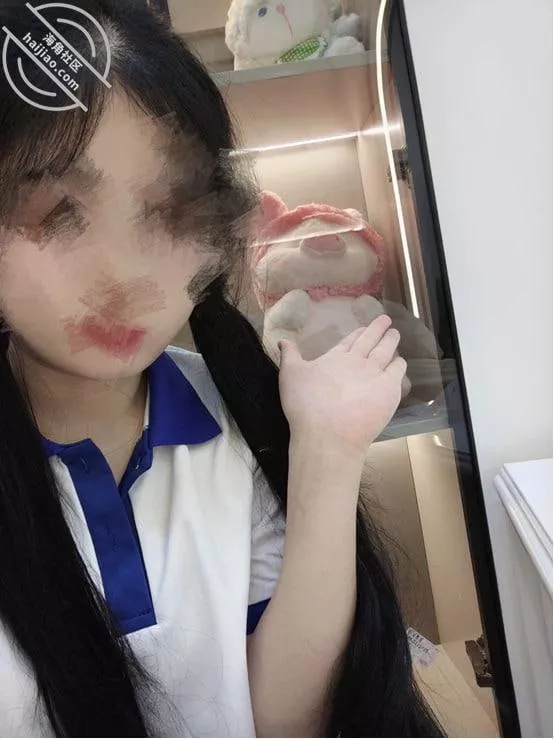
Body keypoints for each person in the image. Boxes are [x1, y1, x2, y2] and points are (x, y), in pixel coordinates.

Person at [0, 1, 442, 736]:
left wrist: (328, 452)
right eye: (58, 214)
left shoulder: (237, 414)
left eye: (166, 212)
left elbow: (279, 717)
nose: (126, 273)